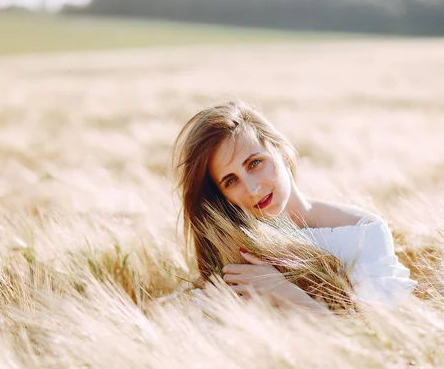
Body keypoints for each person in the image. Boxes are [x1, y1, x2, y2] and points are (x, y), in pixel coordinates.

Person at [168, 100, 416, 313]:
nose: (252, 189)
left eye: (254, 163)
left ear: (282, 151)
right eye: (231, 181)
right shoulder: (236, 249)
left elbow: (377, 336)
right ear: (222, 196)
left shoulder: (364, 233)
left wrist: (284, 293)